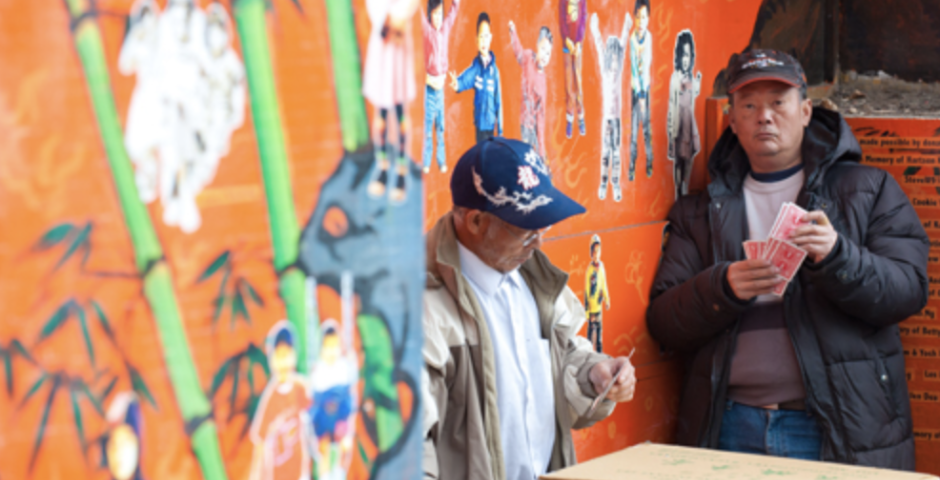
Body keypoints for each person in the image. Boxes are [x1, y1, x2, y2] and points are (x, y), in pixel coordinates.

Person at [647, 49, 928, 469]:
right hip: (728, 423)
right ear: (732, 120)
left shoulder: (868, 190)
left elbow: (907, 291)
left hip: (833, 423)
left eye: (778, 103)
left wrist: (837, 257)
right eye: (749, 105)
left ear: (806, 111)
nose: (765, 116)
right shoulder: (698, 211)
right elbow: (664, 321)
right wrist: (722, 288)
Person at [422, 137, 637, 480]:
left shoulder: (534, 279)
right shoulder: (423, 305)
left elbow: (562, 357)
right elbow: (410, 445)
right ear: (475, 221)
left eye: (544, 226)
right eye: (525, 230)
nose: (539, 242)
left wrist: (592, 376)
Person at [364, 0, 420, 204]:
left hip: (398, 47)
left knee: (399, 110)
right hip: (381, 47)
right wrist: (387, 19)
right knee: (382, 111)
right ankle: (383, 166)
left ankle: (402, 171)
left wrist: (396, 16)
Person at [249, 322, 312, 480]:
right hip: (278, 474)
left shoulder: (300, 387)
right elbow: (260, 442)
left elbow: (314, 416)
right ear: (272, 360)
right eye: (279, 356)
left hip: (300, 472)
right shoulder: (271, 397)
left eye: (287, 355)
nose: (283, 362)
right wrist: (255, 476)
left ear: (294, 356)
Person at [589, 11, 631, 202]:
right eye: (612, 58)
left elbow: (623, 45)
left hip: (616, 120)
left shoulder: (619, 71)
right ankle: (603, 183)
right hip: (607, 119)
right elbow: (599, 46)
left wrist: (627, 26)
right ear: (608, 59)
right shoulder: (606, 73)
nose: (614, 62)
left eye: (616, 58)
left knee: (616, 152)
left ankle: (615, 184)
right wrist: (595, 28)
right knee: (605, 152)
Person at [450, 12, 503, 143]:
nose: (484, 41)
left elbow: (499, 102)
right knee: (480, 154)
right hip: (479, 124)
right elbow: (466, 78)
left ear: (491, 38)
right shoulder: (476, 69)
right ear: (476, 40)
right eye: (481, 37)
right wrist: (458, 84)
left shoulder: (495, 72)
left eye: (486, 36)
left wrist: (500, 130)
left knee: (489, 155)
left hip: (490, 125)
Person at [421, 0, 459, 174]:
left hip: (441, 88)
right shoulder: (428, 31)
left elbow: (453, 12)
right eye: (434, 14)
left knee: (440, 126)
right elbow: (418, 16)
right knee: (428, 125)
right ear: (430, 15)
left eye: (440, 14)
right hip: (430, 87)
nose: (438, 18)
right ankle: (427, 160)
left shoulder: (444, 30)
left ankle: (441, 160)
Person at [507, 21, 552, 160]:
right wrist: (513, 32)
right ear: (537, 45)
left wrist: (542, 150)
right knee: (525, 157)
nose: (545, 55)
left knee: (534, 160)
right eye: (543, 49)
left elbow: (541, 116)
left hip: (534, 127)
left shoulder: (543, 82)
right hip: (523, 122)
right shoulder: (528, 57)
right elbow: (518, 53)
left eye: (549, 53)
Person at [666, 30, 701, 199]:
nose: (685, 60)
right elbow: (672, 104)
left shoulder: (691, 78)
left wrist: (698, 82)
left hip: (689, 124)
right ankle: (677, 189)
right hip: (679, 127)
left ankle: (685, 186)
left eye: (688, 55)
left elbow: (693, 93)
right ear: (678, 57)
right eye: (682, 55)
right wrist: (671, 132)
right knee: (678, 162)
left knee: (688, 158)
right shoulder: (675, 78)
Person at [628, 0, 652, 181]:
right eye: (638, 17)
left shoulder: (648, 38)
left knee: (647, 128)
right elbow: (635, 69)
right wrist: (639, 94)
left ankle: (649, 162)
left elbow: (646, 65)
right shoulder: (632, 39)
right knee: (634, 127)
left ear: (648, 19)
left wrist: (644, 94)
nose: (641, 21)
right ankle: (631, 165)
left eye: (644, 17)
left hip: (646, 89)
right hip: (635, 90)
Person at [558, 0, 586, 138]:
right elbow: (562, 21)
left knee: (578, 85)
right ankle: (570, 119)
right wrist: (567, 40)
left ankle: (581, 117)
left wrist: (579, 42)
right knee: (569, 86)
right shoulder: (562, 1)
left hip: (578, 48)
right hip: (567, 47)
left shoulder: (582, 2)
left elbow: (583, 20)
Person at [584, 234, 610, 353]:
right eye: (594, 252)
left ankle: (600, 356)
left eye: (598, 251)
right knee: (590, 338)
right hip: (591, 308)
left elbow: (604, 284)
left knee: (599, 337)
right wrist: (587, 312)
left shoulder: (602, 267)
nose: (596, 254)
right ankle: (589, 356)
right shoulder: (589, 270)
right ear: (591, 253)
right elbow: (586, 291)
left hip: (599, 307)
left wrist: (607, 299)